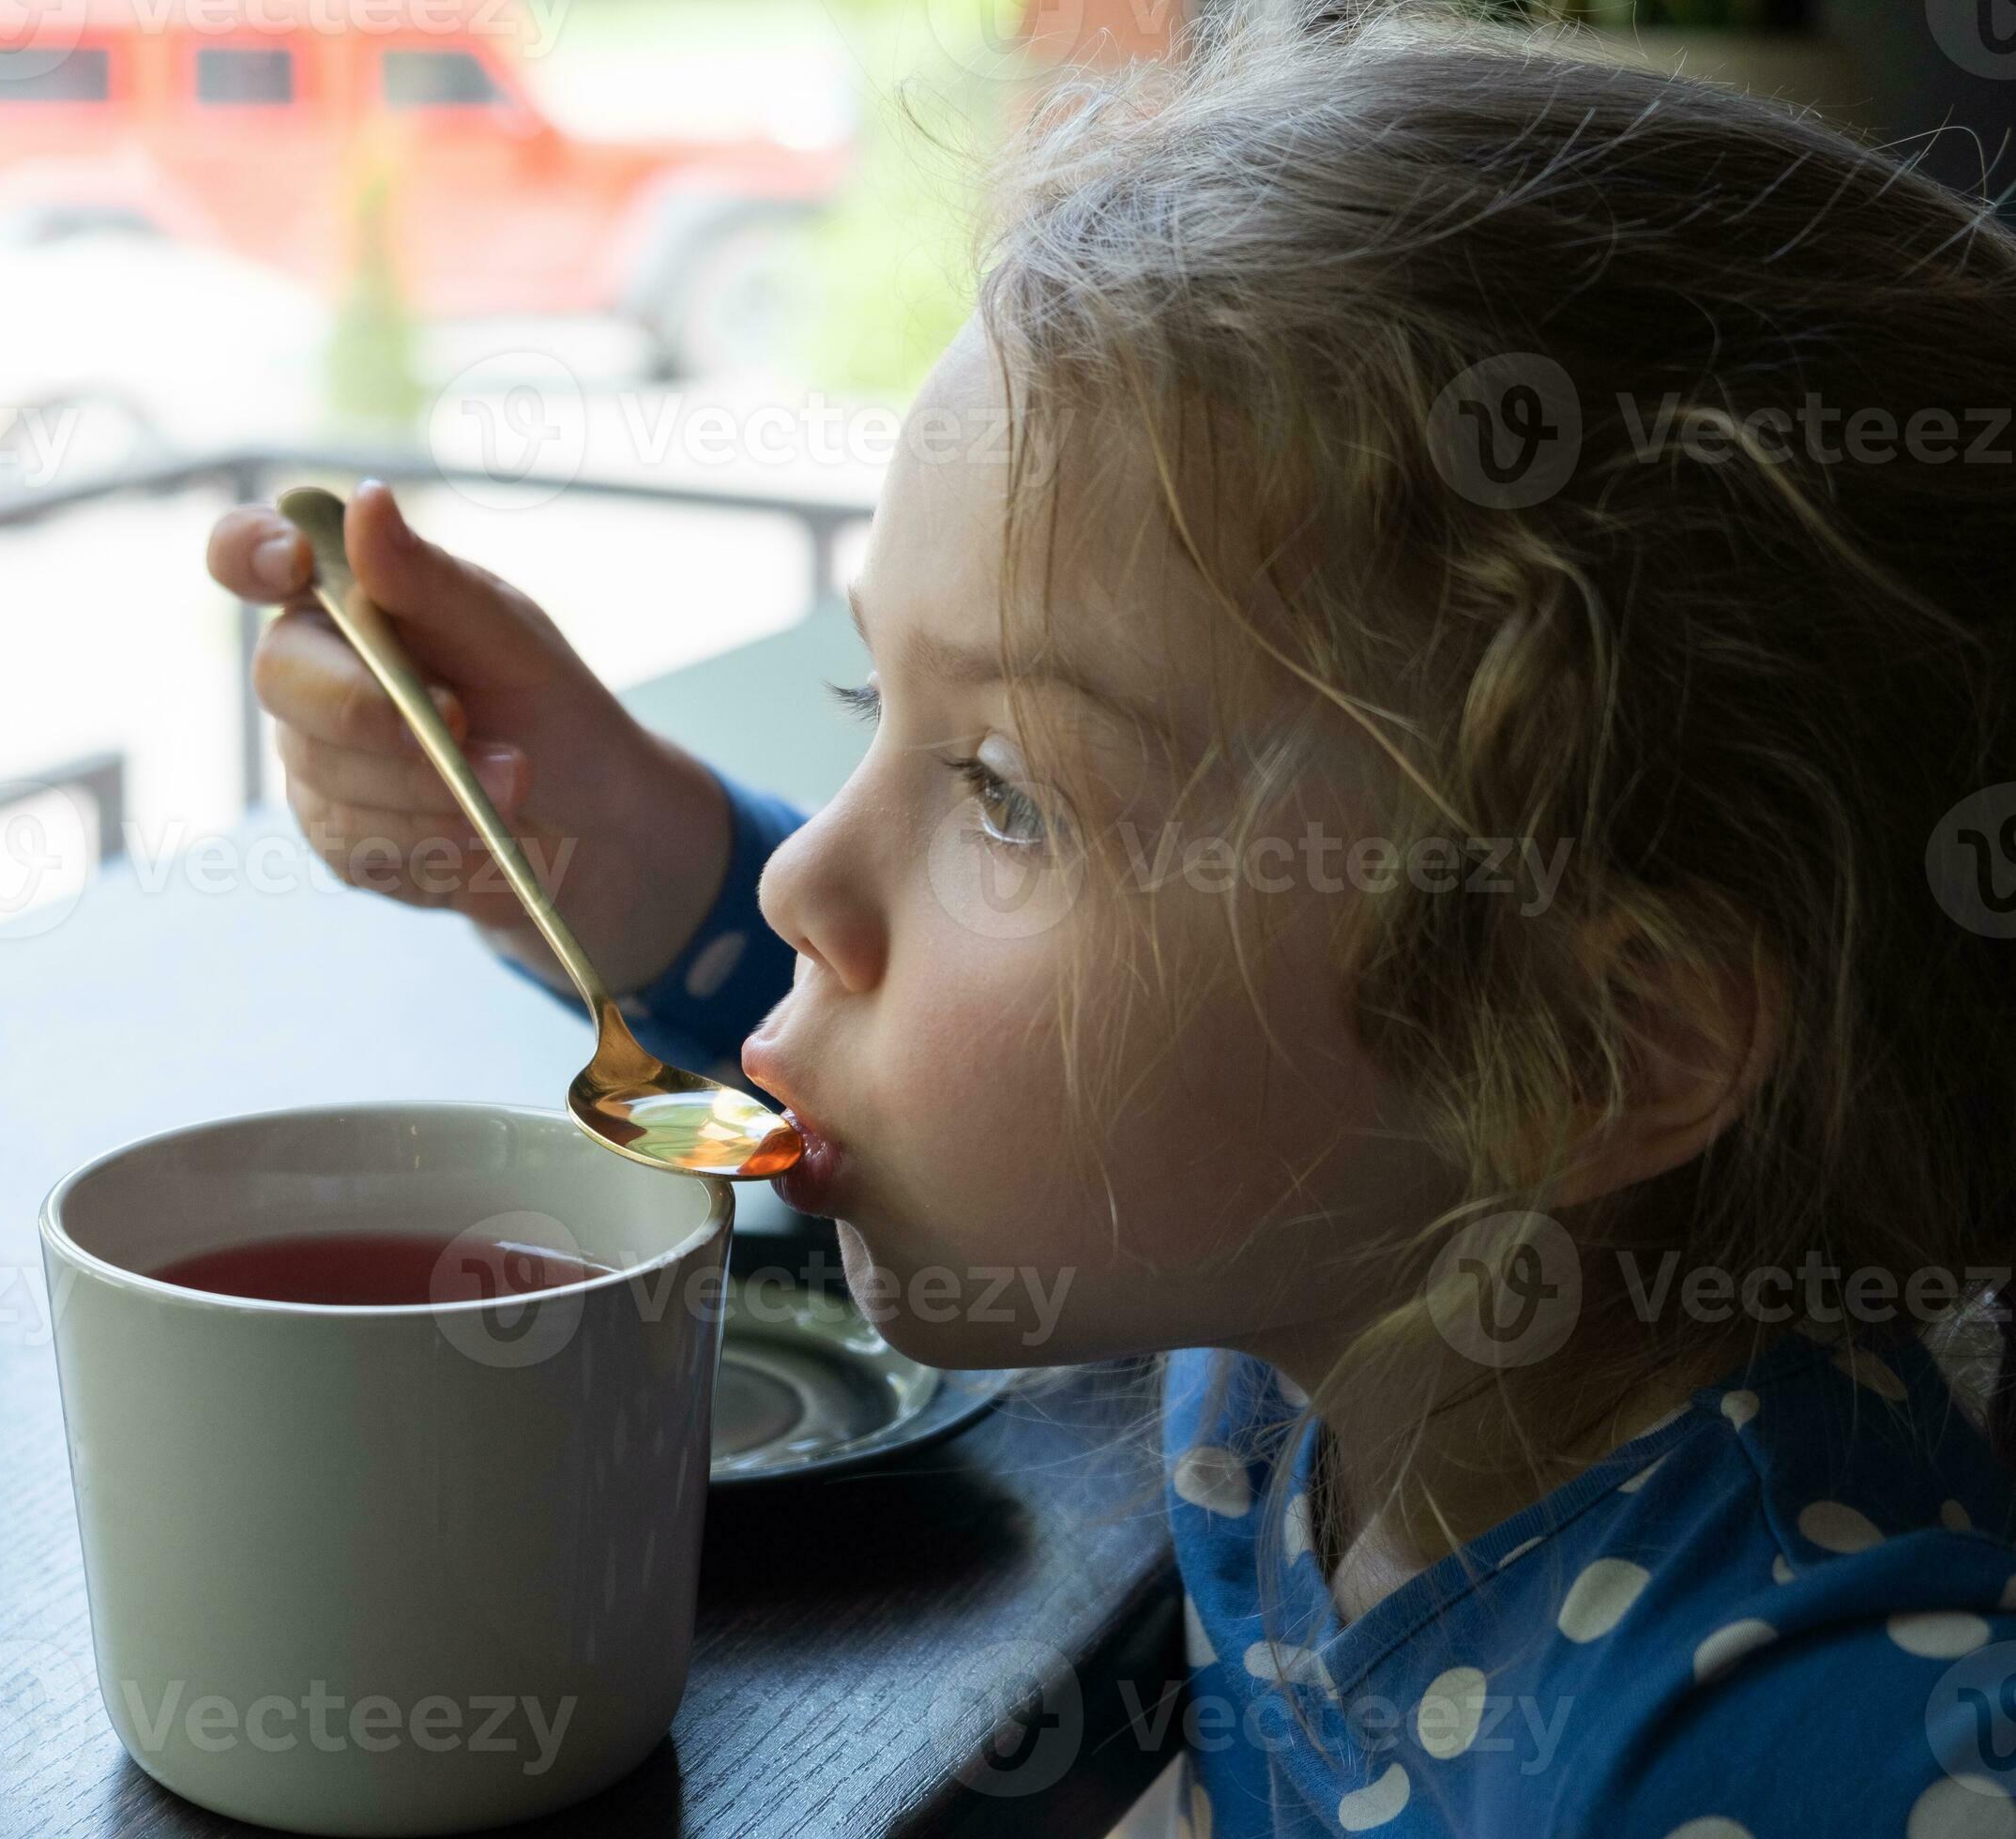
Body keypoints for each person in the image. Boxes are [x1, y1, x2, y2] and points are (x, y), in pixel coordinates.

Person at [205, 4, 2016, 1830]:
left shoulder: (1811, 1736)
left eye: (1003, 788)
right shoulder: (1354, 1272)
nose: (798, 883)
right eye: (875, 715)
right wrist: (597, 833)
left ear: (1592, 1042)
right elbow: (1011, 1075)